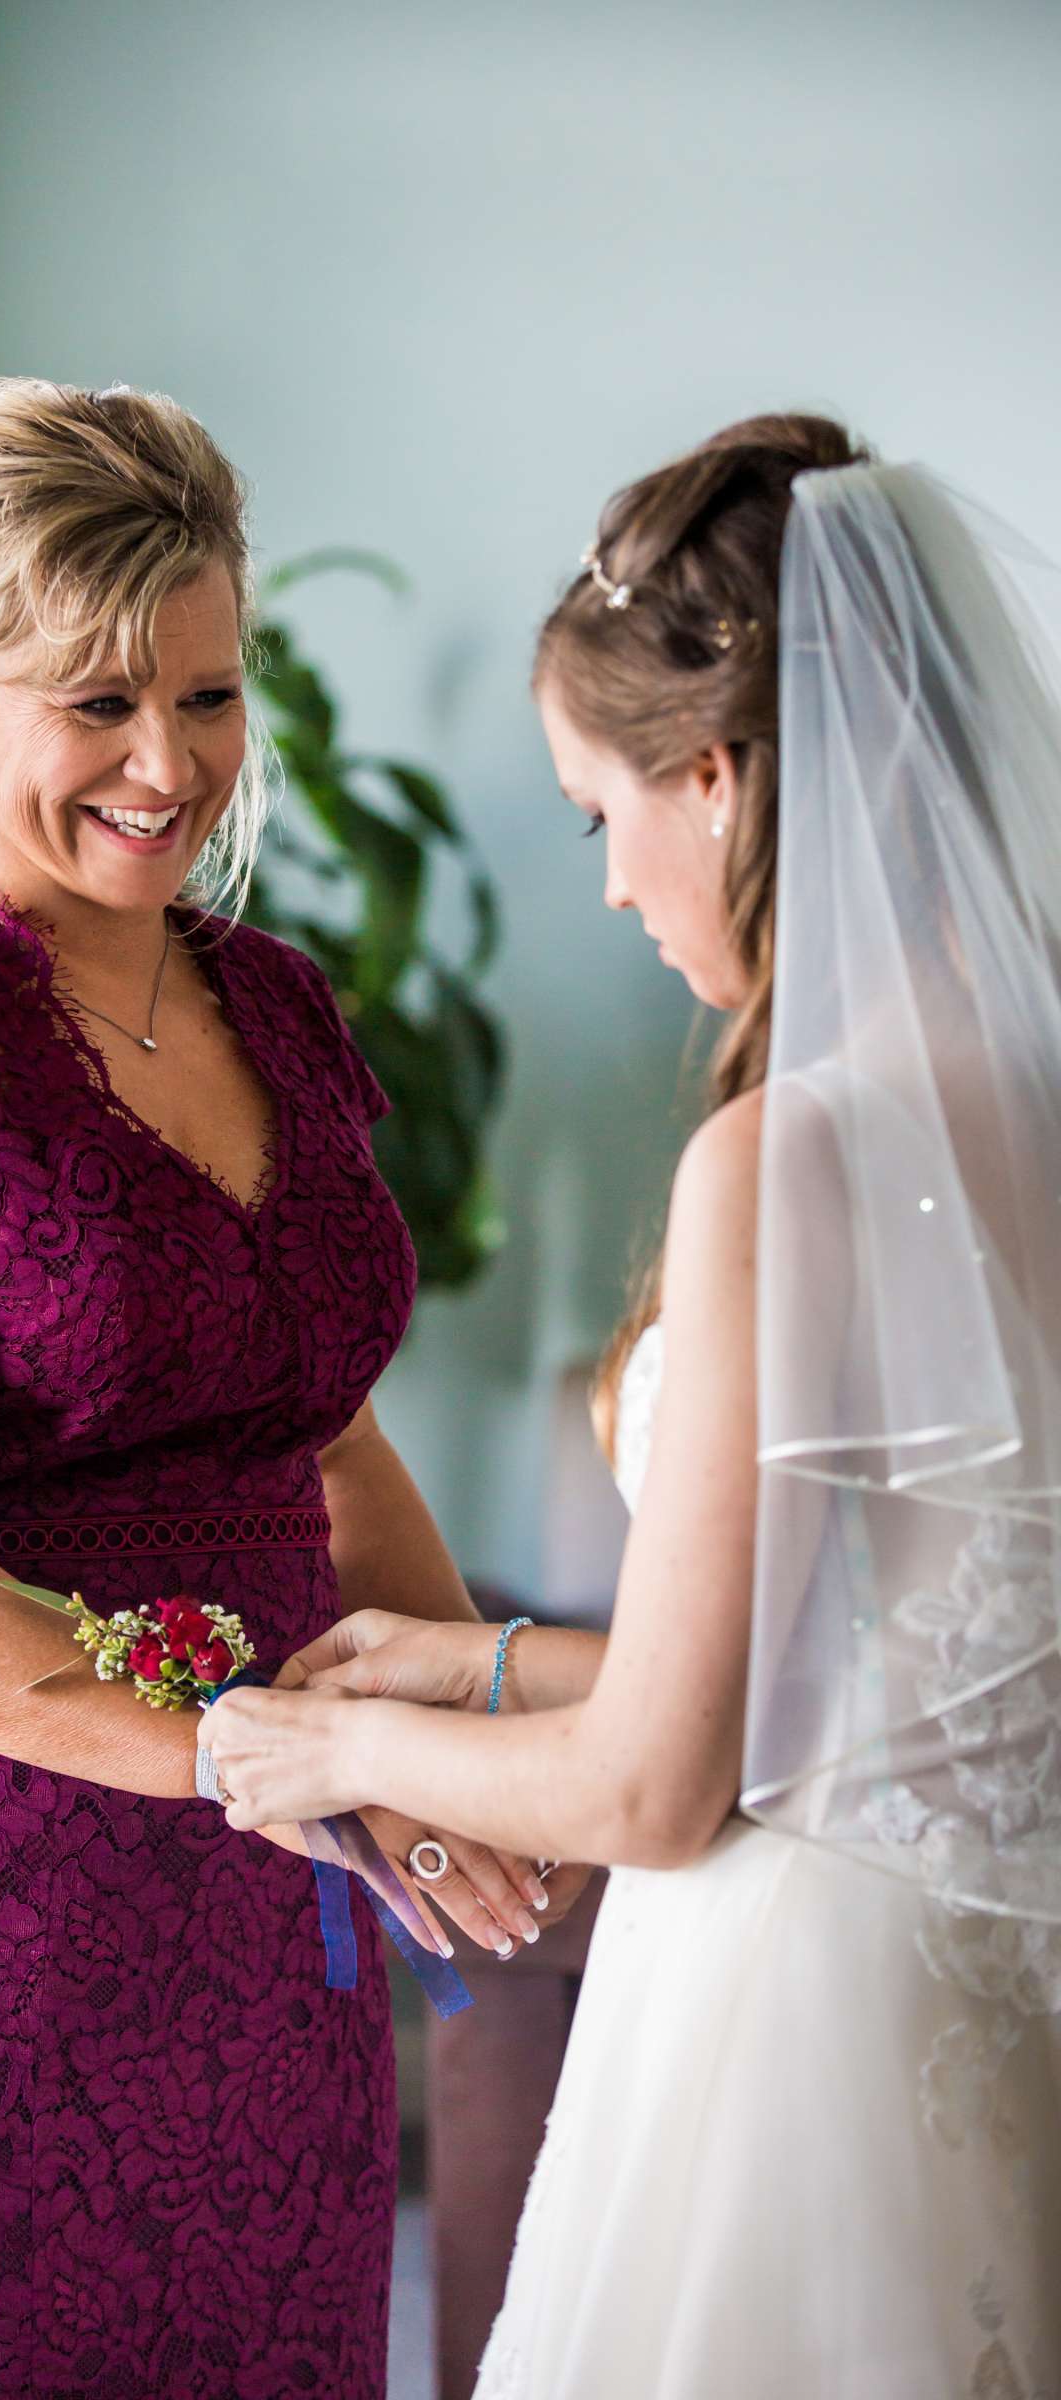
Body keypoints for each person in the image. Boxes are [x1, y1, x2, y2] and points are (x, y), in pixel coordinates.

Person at [0, 375, 566, 2400]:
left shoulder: (275, 1003)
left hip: (261, 1881)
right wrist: (294, 1770)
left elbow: (322, 1440)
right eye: (99, 701)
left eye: (213, 697)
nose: (171, 767)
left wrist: (463, 1712)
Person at [203, 413, 1061, 2397]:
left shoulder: (790, 1164)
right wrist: (465, 1659)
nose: (606, 890)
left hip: (799, 2041)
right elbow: (876, 1665)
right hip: (997, 1982)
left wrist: (300, 1741)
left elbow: (661, 1793)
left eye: (602, 816)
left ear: (721, 774)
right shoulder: (1026, 1120)